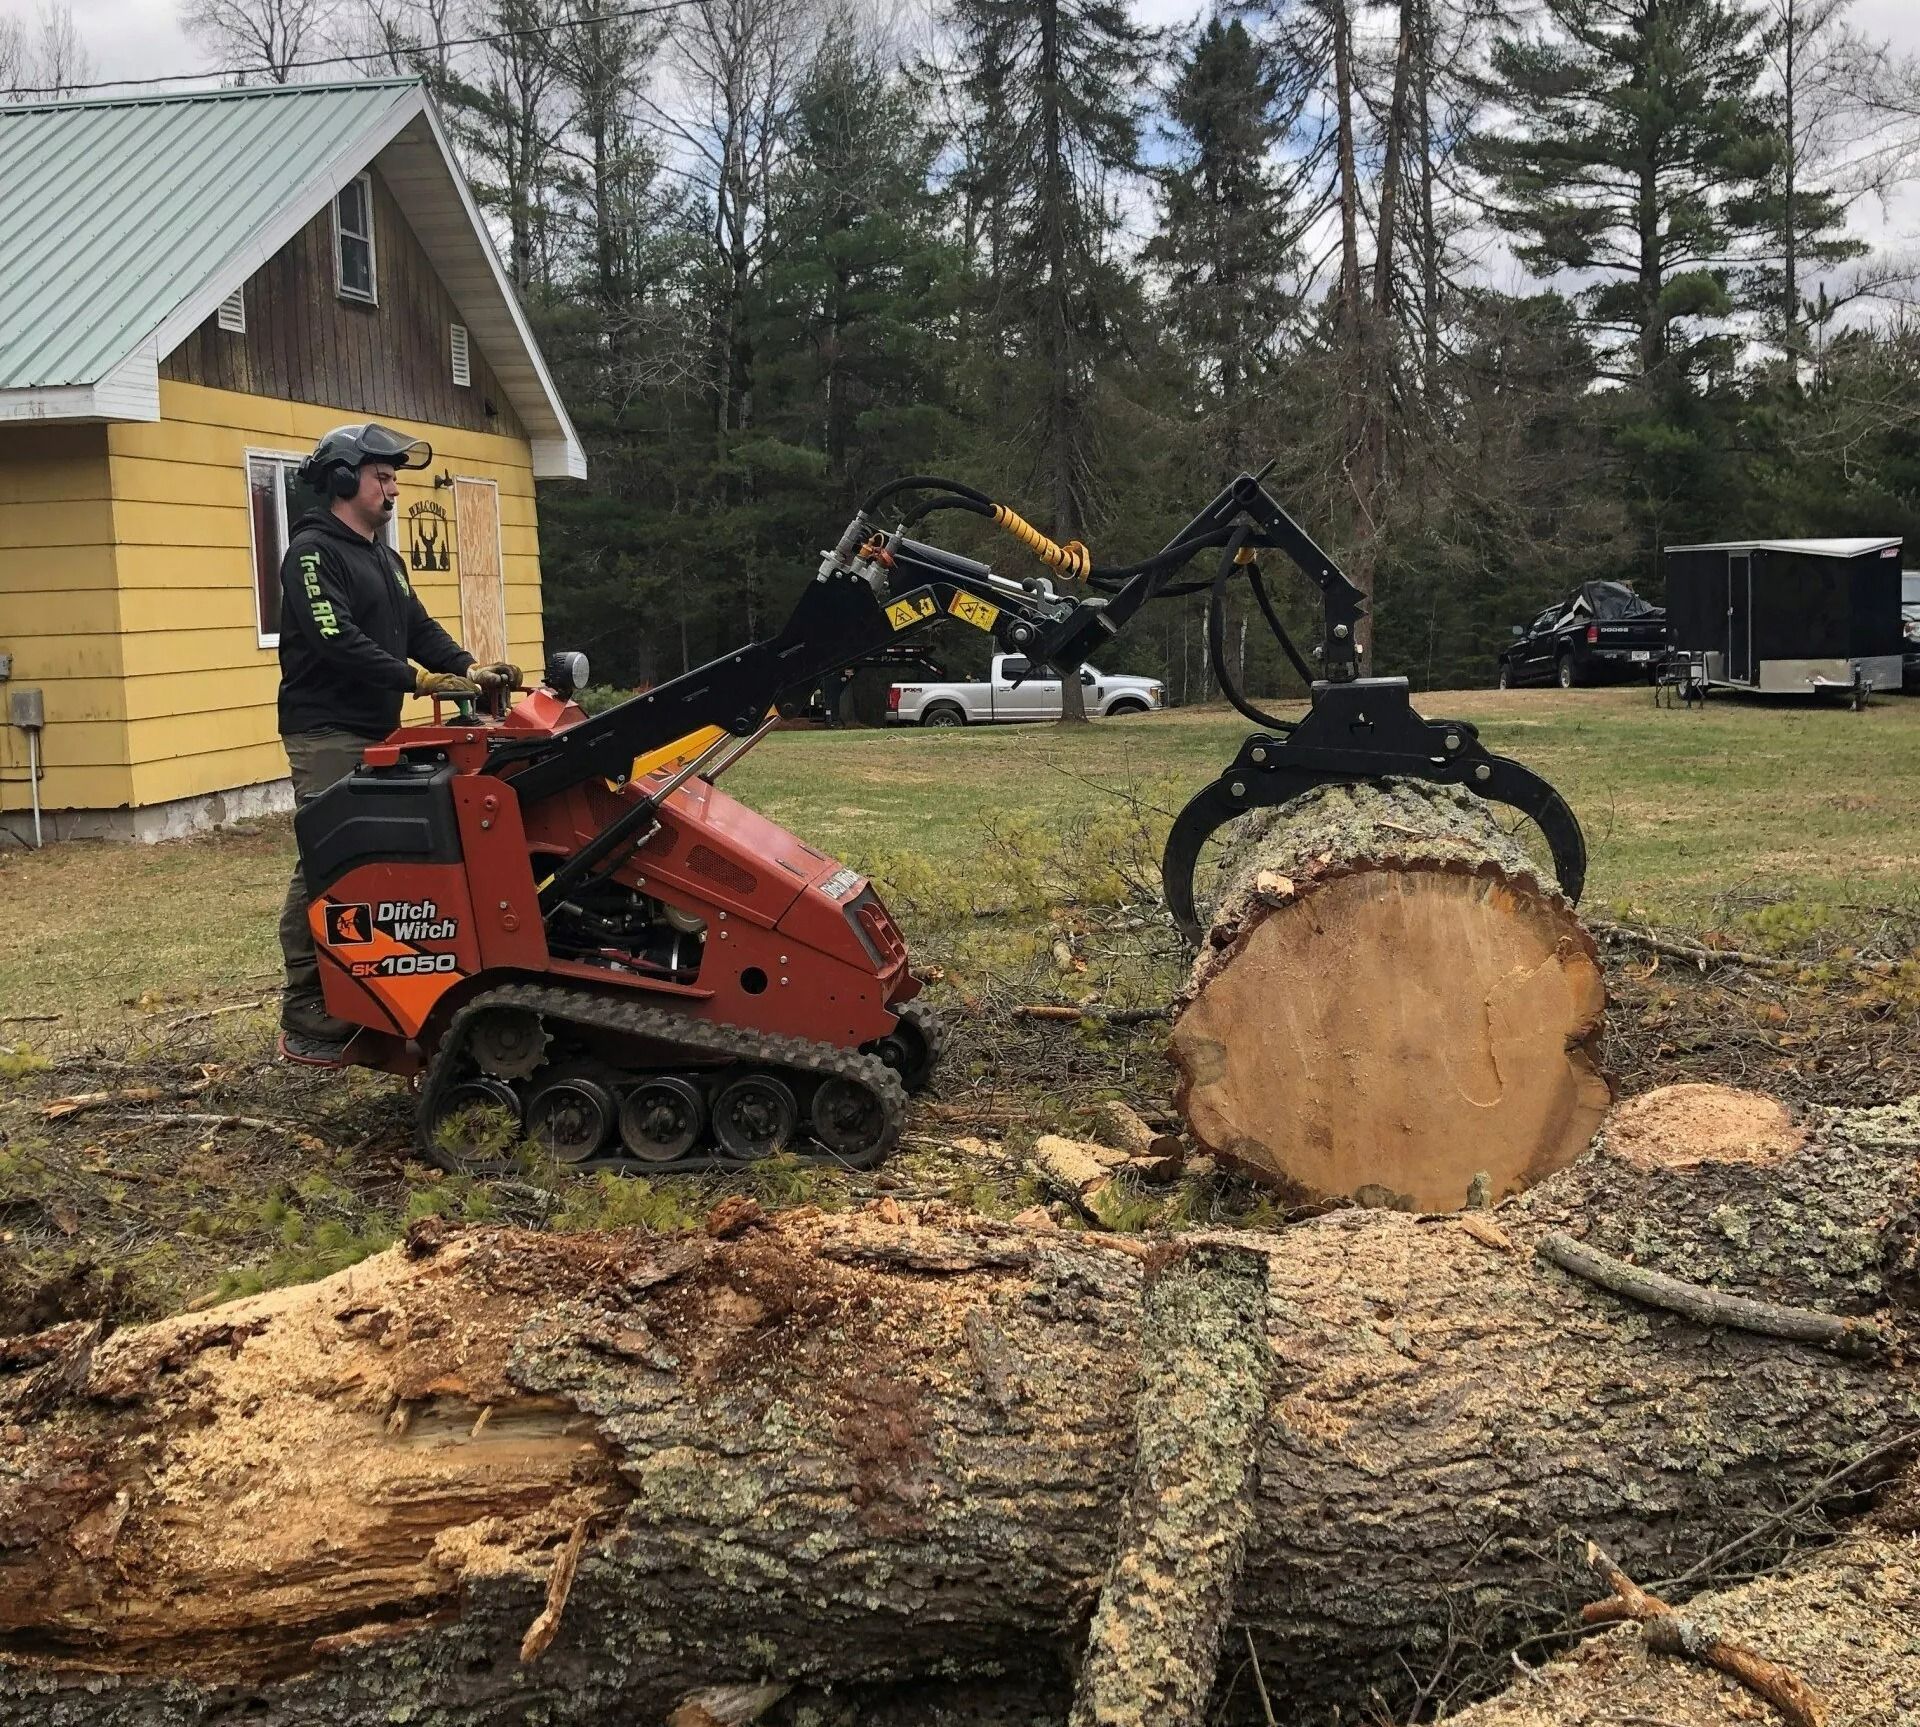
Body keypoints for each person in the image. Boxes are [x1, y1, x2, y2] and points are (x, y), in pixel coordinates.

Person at [274, 422, 520, 1063]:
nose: (391, 490)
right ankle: (306, 1002)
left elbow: (416, 627)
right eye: (381, 477)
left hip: (379, 730)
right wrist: (415, 679)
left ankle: (373, 984)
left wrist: (469, 669)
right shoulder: (311, 554)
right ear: (342, 480)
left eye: (393, 479)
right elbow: (336, 639)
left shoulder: (384, 557)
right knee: (329, 859)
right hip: (326, 729)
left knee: (379, 860)